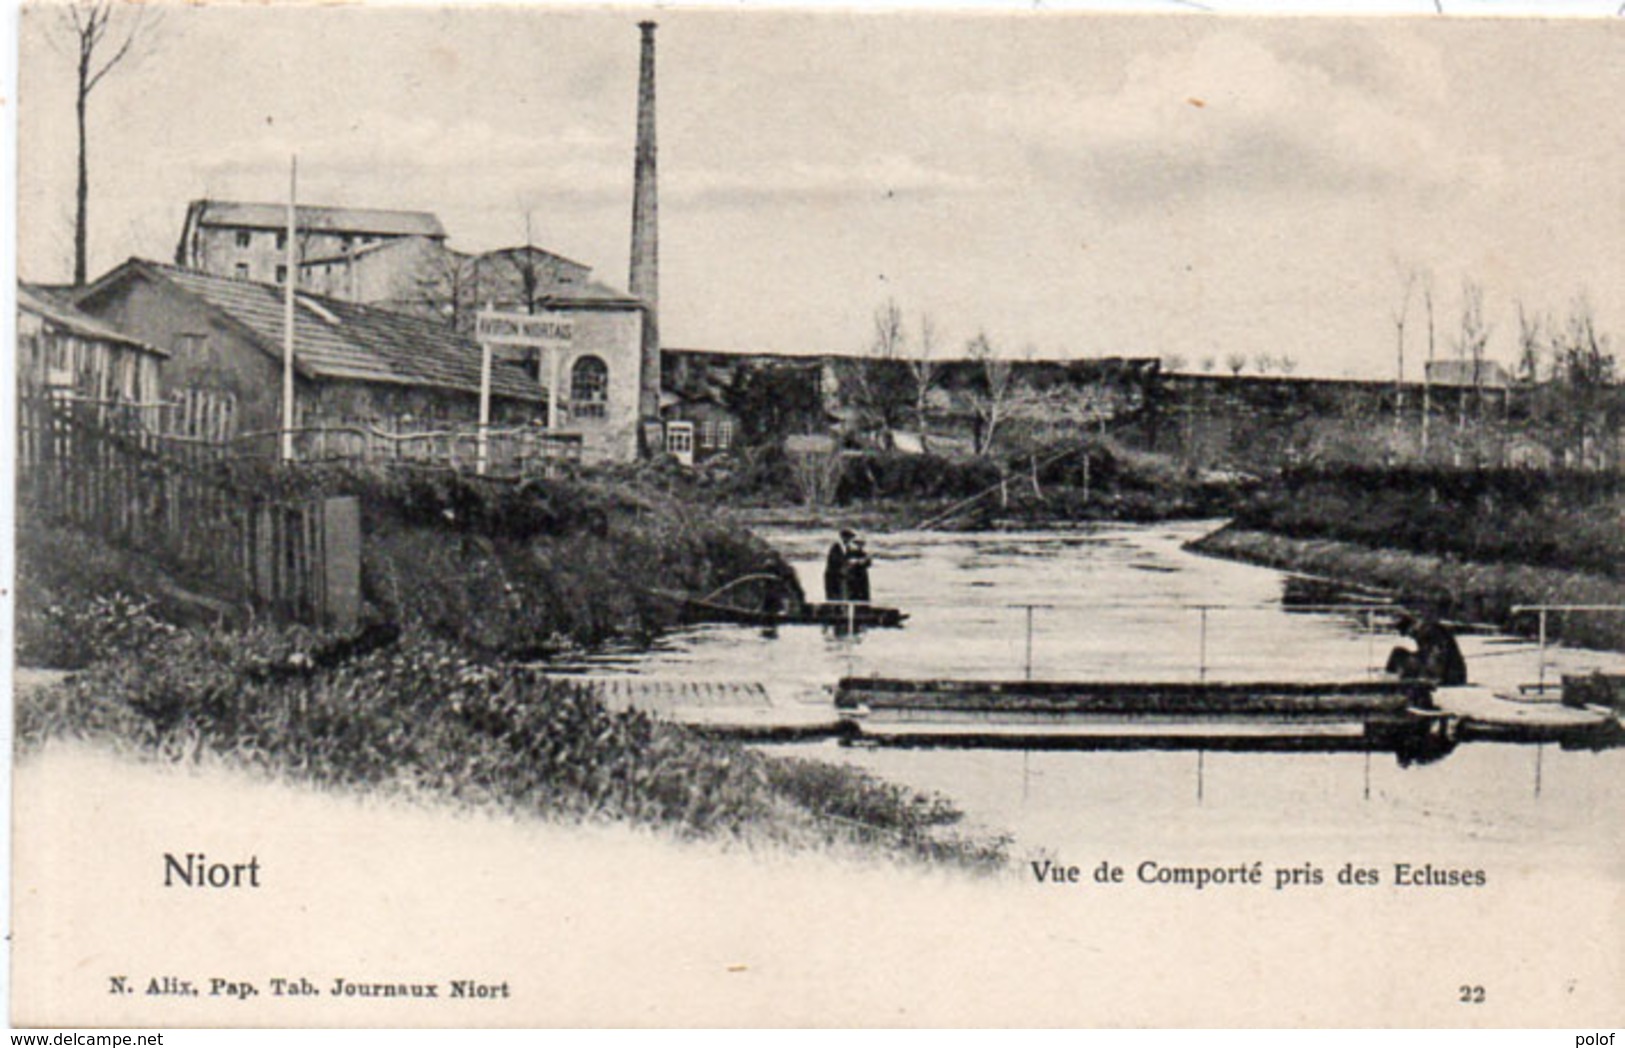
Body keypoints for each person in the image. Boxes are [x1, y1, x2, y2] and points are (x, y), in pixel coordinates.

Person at [1385, 611, 1468, 686]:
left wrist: (1428, 677)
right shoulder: (1426, 629)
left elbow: (1438, 657)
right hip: (1449, 673)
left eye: (1405, 633)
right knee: (1400, 654)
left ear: (1409, 627)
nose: (1409, 637)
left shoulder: (1429, 631)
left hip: (1449, 676)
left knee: (1398, 654)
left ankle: (1390, 677)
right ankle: (1391, 676)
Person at [824, 528, 856, 601]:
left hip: (842, 577)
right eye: (848, 538)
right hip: (833, 577)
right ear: (843, 537)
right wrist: (848, 563)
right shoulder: (835, 548)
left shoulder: (848, 548)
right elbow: (835, 561)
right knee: (834, 597)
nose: (849, 540)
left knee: (843, 596)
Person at [844, 537, 873, 604]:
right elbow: (848, 563)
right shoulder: (849, 553)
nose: (859, 546)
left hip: (861, 579)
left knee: (863, 596)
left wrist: (860, 562)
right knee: (852, 595)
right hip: (852, 578)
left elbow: (868, 562)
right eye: (857, 544)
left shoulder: (863, 554)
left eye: (861, 544)